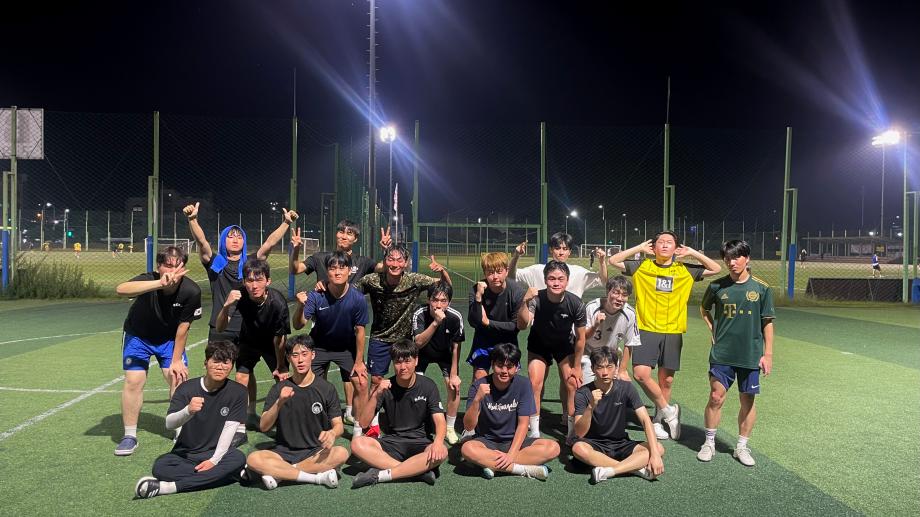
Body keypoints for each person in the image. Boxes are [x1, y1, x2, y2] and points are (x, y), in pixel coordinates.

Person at [184, 201, 296, 442]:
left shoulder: (250, 265)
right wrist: (193, 220)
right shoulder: (217, 263)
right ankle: (215, 417)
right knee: (216, 374)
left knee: (246, 372)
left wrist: (286, 223)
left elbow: (269, 243)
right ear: (223, 240)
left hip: (248, 330)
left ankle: (248, 414)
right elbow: (202, 243)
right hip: (221, 328)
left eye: (239, 236)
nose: (235, 240)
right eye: (230, 236)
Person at [608, 231, 721, 440]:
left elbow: (716, 268)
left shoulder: (685, 269)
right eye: (661, 242)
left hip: (673, 330)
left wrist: (692, 252)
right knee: (641, 374)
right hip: (646, 328)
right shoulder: (642, 266)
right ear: (654, 247)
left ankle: (658, 421)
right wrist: (639, 248)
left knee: (666, 380)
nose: (665, 245)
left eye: (670, 242)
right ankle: (670, 411)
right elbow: (614, 260)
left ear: (676, 248)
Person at [290, 221, 386, 425]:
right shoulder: (320, 259)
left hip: (348, 330)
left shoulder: (362, 263)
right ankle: (318, 415)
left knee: (353, 376)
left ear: (356, 239)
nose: (344, 235)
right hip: (323, 324)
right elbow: (295, 268)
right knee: (316, 379)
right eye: (341, 231)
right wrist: (296, 249)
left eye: (349, 233)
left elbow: (384, 268)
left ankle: (352, 413)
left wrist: (386, 250)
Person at [115, 246, 202, 456]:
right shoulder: (149, 279)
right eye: (167, 266)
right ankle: (129, 436)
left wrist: (176, 360)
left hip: (169, 339)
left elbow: (183, 328)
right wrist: (158, 283)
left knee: (177, 377)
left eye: (177, 266)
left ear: (184, 268)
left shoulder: (192, 291)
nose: (172, 271)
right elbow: (121, 289)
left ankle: (180, 431)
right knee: (134, 380)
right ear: (158, 267)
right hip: (138, 336)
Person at [355, 246, 450, 436]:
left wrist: (442, 271)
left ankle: (410, 418)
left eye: (400, 260)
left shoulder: (414, 280)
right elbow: (348, 292)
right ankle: (371, 425)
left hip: (405, 339)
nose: (395, 264)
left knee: (406, 378)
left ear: (406, 263)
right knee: (376, 380)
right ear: (385, 261)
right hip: (380, 337)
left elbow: (445, 288)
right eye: (391, 259)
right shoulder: (372, 280)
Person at [134, 341, 247, 498]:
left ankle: (170, 487)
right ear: (206, 363)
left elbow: (230, 429)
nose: (220, 367)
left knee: (238, 458)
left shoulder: (238, 392)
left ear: (232, 366)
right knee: (160, 467)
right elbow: (169, 423)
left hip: (217, 452)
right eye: (216, 361)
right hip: (186, 454)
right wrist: (188, 411)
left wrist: (214, 461)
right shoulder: (186, 388)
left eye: (226, 362)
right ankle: (230, 475)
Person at [698, 239, 775, 467]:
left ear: (747, 258)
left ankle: (741, 446)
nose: (732, 262)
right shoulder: (716, 286)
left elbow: (768, 322)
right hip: (722, 352)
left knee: (747, 401)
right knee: (715, 396)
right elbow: (704, 309)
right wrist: (713, 329)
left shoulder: (762, 288)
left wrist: (768, 354)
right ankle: (709, 442)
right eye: (728, 258)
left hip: (750, 354)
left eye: (736, 257)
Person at [242, 335, 347, 489]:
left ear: (313, 355)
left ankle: (281, 473)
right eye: (295, 355)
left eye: (304, 354)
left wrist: (332, 433)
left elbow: (339, 425)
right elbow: (264, 426)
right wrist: (279, 402)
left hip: (315, 451)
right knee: (253, 459)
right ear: (288, 358)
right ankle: (316, 478)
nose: (300, 360)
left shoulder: (326, 388)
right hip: (283, 452)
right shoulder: (278, 388)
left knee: (341, 453)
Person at [350, 339, 448, 488]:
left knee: (443, 452)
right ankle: (417, 472)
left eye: (407, 361)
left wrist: (438, 442)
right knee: (357, 444)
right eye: (398, 362)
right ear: (393, 363)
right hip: (392, 443)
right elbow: (363, 423)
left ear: (416, 361)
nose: (403, 367)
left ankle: (381, 475)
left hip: (421, 443)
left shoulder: (428, 385)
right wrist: (376, 394)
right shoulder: (385, 387)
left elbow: (440, 420)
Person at [292, 251, 369, 434]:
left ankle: (358, 429)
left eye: (342, 268)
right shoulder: (317, 295)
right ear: (327, 272)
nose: (337, 272)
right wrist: (300, 306)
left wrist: (359, 362)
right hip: (319, 346)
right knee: (310, 384)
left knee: (361, 383)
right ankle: (317, 422)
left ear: (349, 271)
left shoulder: (357, 298)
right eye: (333, 268)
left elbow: (360, 332)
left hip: (346, 348)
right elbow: (298, 325)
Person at [460, 343, 559, 481]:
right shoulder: (479, 386)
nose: (504, 371)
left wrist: (511, 454)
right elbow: (468, 426)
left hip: (515, 441)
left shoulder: (523, 384)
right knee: (467, 449)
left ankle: (490, 464)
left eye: (510, 366)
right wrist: (477, 400)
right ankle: (523, 469)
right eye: (500, 365)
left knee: (553, 448)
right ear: (492, 364)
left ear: (517, 367)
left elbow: (523, 424)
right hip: (487, 441)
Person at [216, 258, 290, 433]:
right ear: (244, 281)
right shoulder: (239, 295)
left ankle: (286, 420)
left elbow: (280, 339)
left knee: (282, 379)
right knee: (242, 376)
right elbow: (220, 327)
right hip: (248, 340)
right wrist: (226, 306)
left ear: (268, 281)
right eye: (249, 280)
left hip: (272, 343)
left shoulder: (278, 303)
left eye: (259, 280)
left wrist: (280, 365)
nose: (254, 285)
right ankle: (244, 420)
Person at [516, 261, 587, 442]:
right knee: (535, 383)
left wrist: (577, 366)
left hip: (564, 346)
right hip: (539, 345)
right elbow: (523, 325)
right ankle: (534, 431)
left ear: (567, 280)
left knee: (572, 383)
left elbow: (581, 338)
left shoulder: (576, 303)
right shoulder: (536, 299)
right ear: (545, 280)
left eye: (560, 279)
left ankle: (571, 432)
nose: (556, 283)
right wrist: (524, 302)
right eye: (551, 278)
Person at [571, 347, 664, 483]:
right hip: (594, 444)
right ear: (592, 369)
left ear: (616, 368)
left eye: (609, 367)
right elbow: (579, 433)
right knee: (578, 448)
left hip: (620, 443)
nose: (605, 373)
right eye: (600, 367)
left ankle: (610, 471)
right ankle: (634, 469)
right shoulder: (582, 393)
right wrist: (590, 407)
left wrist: (655, 455)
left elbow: (645, 420)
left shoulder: (626, 388)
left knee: (658, 448)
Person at [412, 281, 464, 444]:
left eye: (443, 301)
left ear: (449, 302)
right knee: (414, 386)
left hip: (445, 354)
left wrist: (454, 374)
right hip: (422, 353)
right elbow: (418, 343)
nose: (439, 305)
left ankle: (450, 427)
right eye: (435, 300)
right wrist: (435, 322)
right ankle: (417, 424)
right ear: (428, 299)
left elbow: (456, 347)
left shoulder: (455, 317)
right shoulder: (419, 313)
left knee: (454, 386)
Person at [467, 252, 527, 384]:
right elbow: (473, 322)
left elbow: (515, 326)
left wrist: (488, 322)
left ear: (507, 271)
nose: (495, 277)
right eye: (490, 272)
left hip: (508, 340)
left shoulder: (517, 291)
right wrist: (478, 298)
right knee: (479, 377)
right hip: (483, 339)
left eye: (499, 272)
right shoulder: (477, 289)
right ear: (484, 273)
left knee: (507, 378)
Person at [509, 233, 607, 298]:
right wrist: (516, 256)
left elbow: (603, 280)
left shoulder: (579, 272)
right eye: (557, 248)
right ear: (551, 250)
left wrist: (602, 262)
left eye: (565, 249)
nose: (561, 252)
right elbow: (511, 277)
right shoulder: (536, 271)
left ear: (569, 252)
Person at [582, 276, 641, 384]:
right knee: (586, 388)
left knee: (620, 387)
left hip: (610, 354)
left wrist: (622, 371)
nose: (620, 298)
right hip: (588, 352)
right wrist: (595, 325)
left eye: (624, 295)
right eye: (616, 293)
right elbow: (582, 337)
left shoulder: (630, 313)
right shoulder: (591, 307)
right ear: (607, 292)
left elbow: (629, 343)